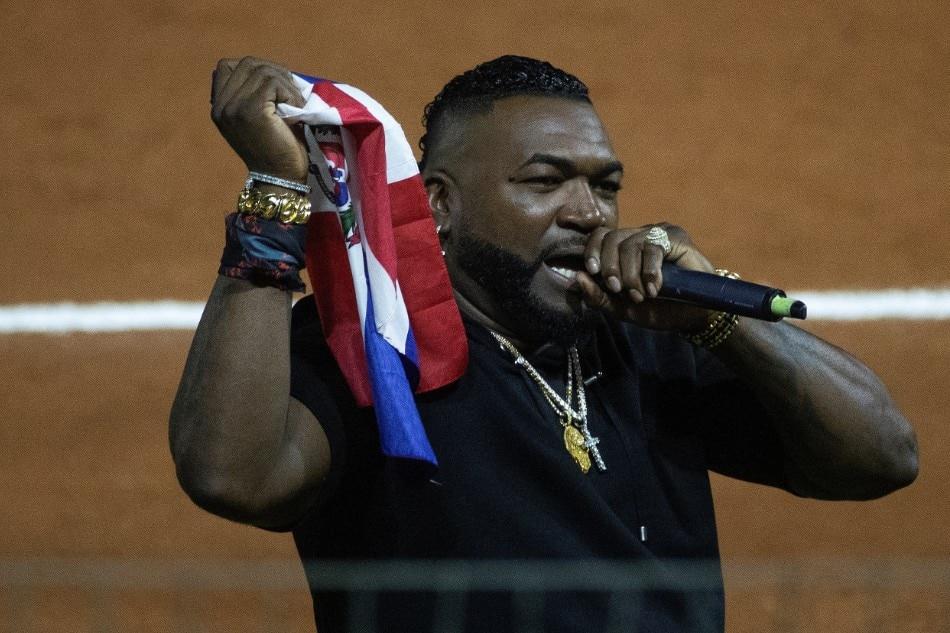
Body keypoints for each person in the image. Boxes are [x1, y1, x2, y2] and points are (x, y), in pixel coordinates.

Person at [170, 55, 918, 632]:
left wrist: (724, 321)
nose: (590, 212)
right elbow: (236, 477)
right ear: (439, 206)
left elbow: (881, 457)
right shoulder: (376, 345)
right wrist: (275, 196)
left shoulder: (648, 333)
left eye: (606, 184)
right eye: (546, 181)